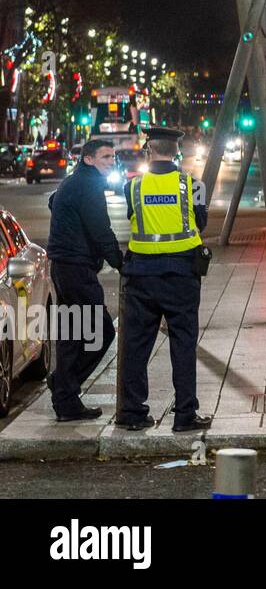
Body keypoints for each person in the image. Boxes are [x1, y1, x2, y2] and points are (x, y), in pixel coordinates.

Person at [115, 127, 211, 433]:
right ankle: (185, 415)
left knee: (136, 346)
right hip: (182, 275)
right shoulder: (192, 185)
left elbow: (133, 214)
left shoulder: (133, 186)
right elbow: (201, 222)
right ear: (176, 151)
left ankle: (132, 413)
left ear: (148, 149)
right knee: (183, 344)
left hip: (142, 275)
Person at [45, 138, 123, 422]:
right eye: (105, 157)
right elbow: (102, 231)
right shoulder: (88, 186)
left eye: (112, 157)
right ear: (88, 159)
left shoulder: (72, 182)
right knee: (101, 332)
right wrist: (122, 263)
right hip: (77, 270)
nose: (110, 162)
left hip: (63, 268)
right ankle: (65, 388)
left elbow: (54, 201)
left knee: (71, 336)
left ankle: (64, 395)